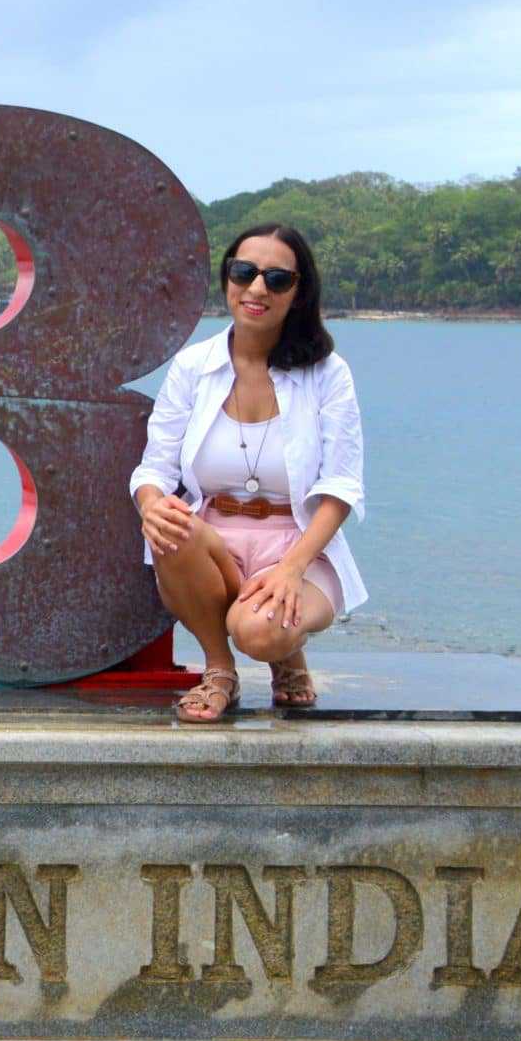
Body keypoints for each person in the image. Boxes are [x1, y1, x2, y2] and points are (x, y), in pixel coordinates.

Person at [132, 223, 367, 724]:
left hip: (297, 541)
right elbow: (155, 466)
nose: (257, 288)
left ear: (299, 292)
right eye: (245, 272)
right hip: (214, 537)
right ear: (227, 279)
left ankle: (284, 651)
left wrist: (291, 567)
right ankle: (219, 669)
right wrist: (151, 504)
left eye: (277, 279)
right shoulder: (194, 366)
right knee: (170, 528)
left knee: (258, 631)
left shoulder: (328, 373)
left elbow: (340, 488)